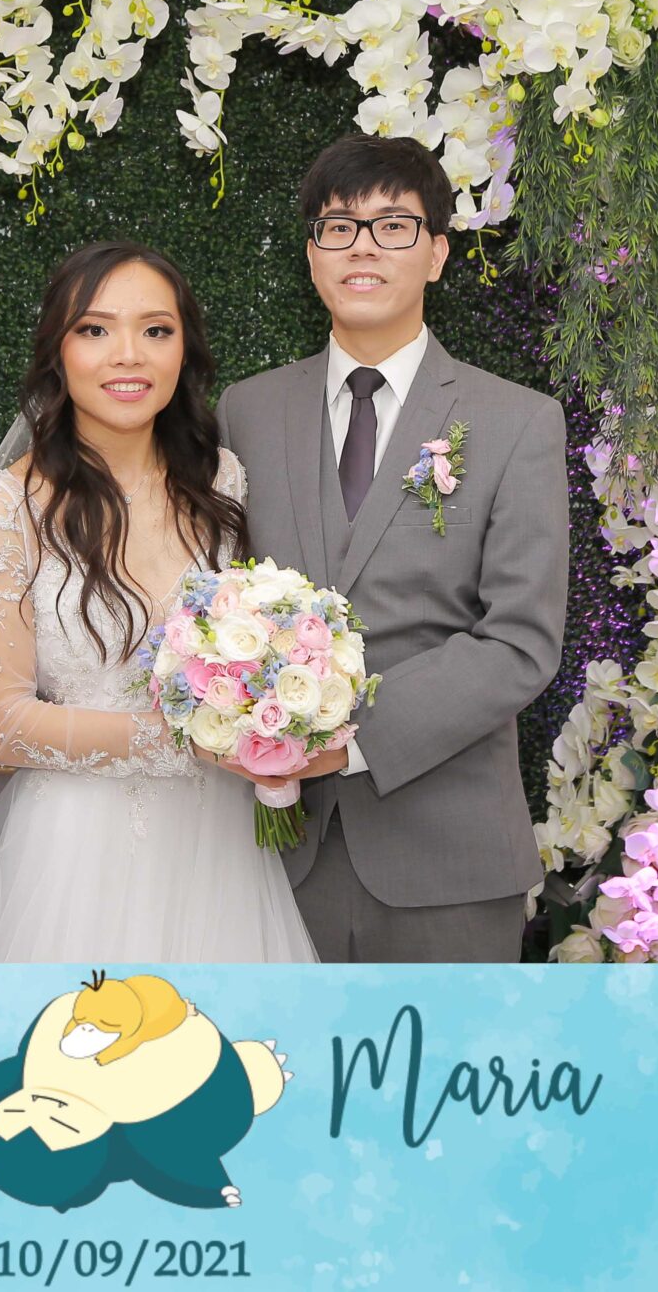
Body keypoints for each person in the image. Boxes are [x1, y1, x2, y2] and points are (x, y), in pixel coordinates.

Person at [216, 134, 569, 962]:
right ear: (313, 255)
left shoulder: (516, 421)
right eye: (339, 227)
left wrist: (346, 739)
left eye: (394, 226)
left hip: (448, 859)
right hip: (278, 860)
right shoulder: (247, 411)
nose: (363, 247)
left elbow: (521, 639)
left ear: (437, 253)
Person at [0, 242, 318, 962]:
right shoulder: (5, 509)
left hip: (219, 844)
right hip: (73, 852)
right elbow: (3, 725)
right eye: (95, 329)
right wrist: (196, 741)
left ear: (185, 349)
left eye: (156, 330)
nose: (128, 354)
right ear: (58, 352)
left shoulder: (223, 482)